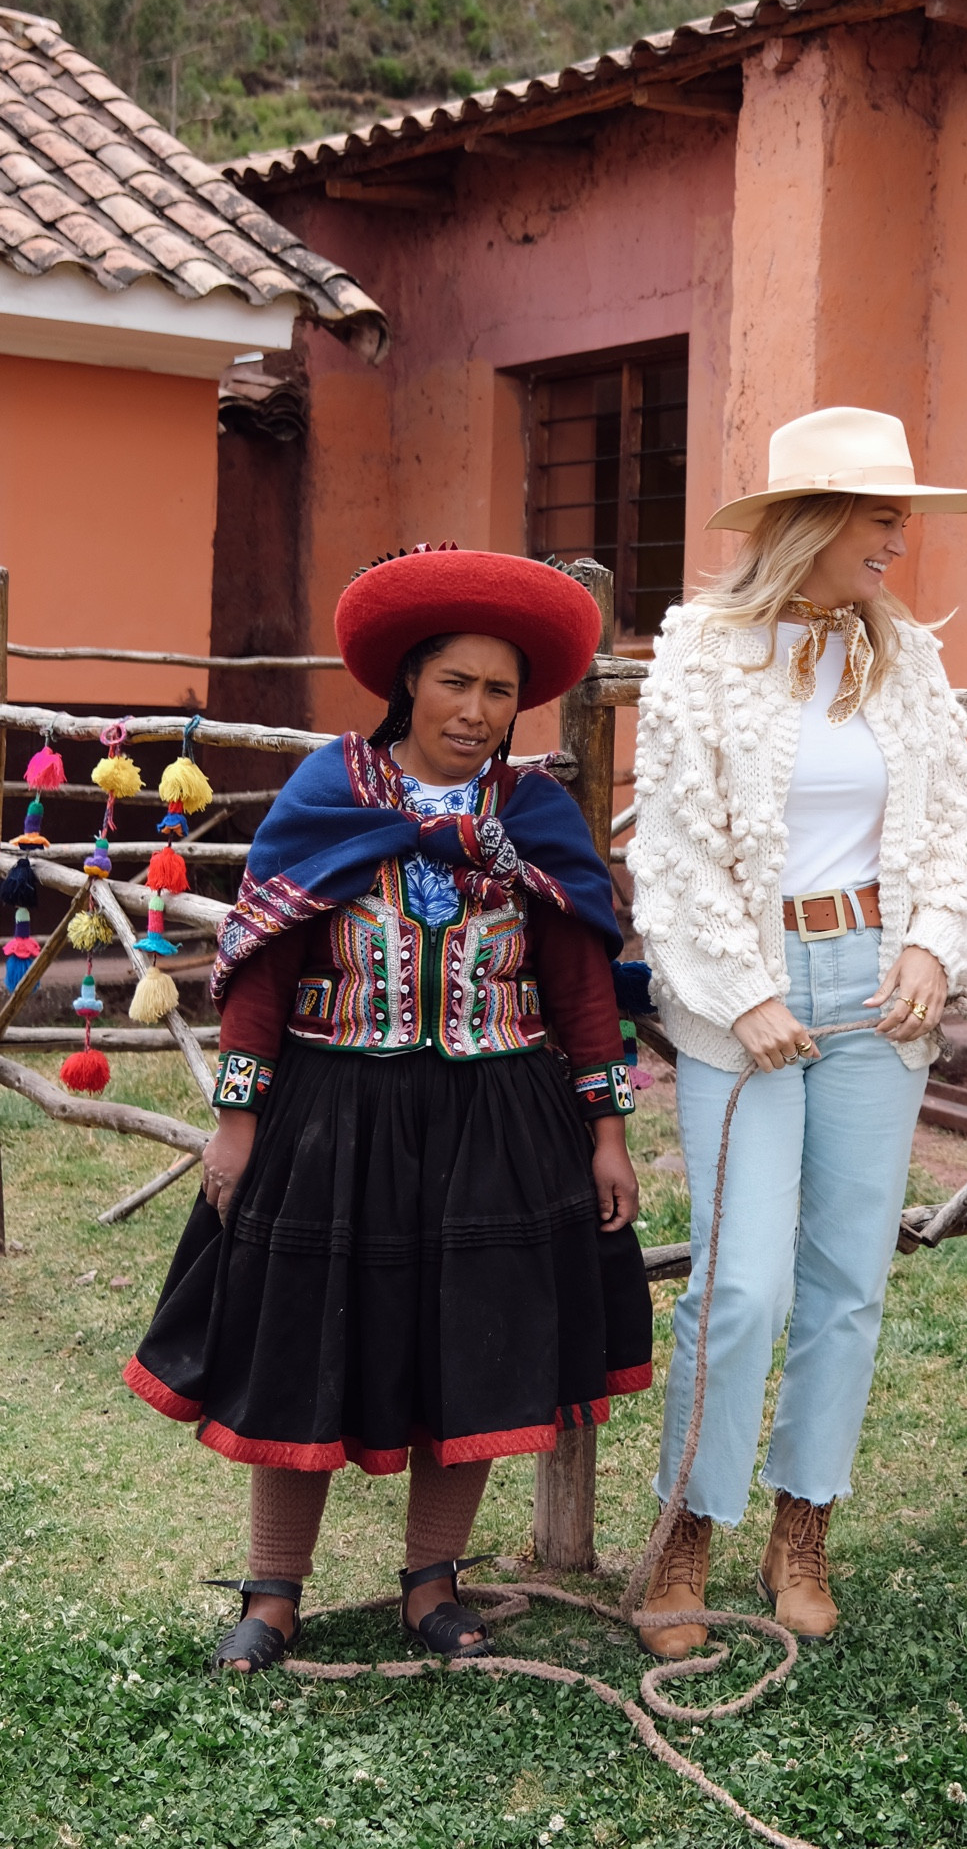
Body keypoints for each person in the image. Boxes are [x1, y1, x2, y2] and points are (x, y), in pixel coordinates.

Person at [124, 545, 652, 1672]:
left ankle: (431, 1584)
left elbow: (580, 984)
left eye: (500, 690)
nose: (475, 710)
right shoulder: (330, 793)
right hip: (335, 1110)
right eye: (455, 681)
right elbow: (263, 962)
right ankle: (274, 1592)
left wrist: (605, 1128)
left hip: (500, 1114)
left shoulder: (535, 817)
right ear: (409, 679)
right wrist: (238, 1115)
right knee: (305, 1338)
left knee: (477, 1344)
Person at [627, 406, 967, 1652]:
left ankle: (805, 1527)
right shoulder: (699, 652)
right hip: (749, 983)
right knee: (741, 1283)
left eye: (903, 514)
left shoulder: (910, 660)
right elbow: (673, 847)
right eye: (884, 514)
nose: (901, 537)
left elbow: (956, 826)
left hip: (875, 981)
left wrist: (931, 946)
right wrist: (743, 990)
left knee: (847, 1281)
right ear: (815, 521)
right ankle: (687, 1529)